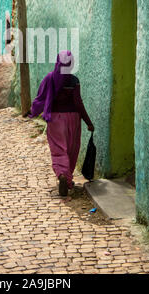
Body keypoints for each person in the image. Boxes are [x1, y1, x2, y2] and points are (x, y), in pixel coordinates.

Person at [28, 50, 94, 196]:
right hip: (73, 119)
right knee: (71, 148)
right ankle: (68, 177)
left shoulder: (50, 78)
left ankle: (62, 175)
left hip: (56, 119)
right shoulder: (74, 80)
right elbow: (78, 102)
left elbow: (41, 98)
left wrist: (33, 111)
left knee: (58, 149)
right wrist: (88, 122)